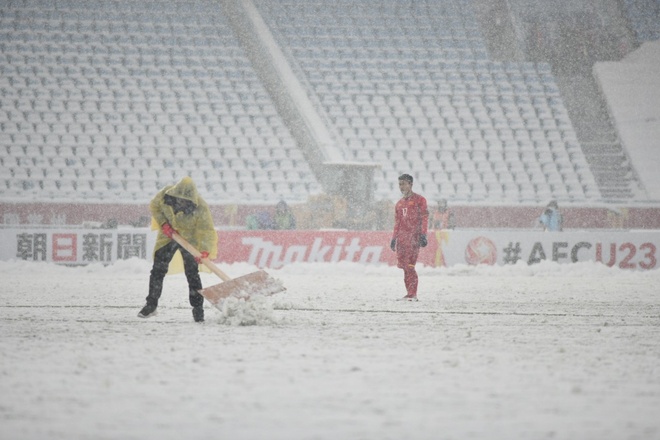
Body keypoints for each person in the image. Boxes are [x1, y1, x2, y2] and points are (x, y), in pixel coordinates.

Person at [138, 177, 218, 322]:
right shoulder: (164, 196)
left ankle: (198, 309)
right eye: (179, 199)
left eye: (184, 200)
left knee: (192, 274)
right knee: (158, 270)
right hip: (168, 236)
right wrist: (163, 224)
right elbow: (154, 206)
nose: (181, 202)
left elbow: (207, 230)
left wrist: (205, 250)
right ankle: (151, 304)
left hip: (190, 240)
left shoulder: (200, 207)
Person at [390, 174, 429, 301]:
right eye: (400, 184)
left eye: (404, 184)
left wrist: (423, 234)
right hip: (402, 239)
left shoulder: (420, 200)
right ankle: (409, 293)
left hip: (413, 238)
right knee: (404, 267)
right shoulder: (399, 204)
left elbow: (424, 218)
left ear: (411, 184)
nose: (401, 187)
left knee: (410, 266)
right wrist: (394, 238)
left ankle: (413, 294)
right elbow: (397, 223)